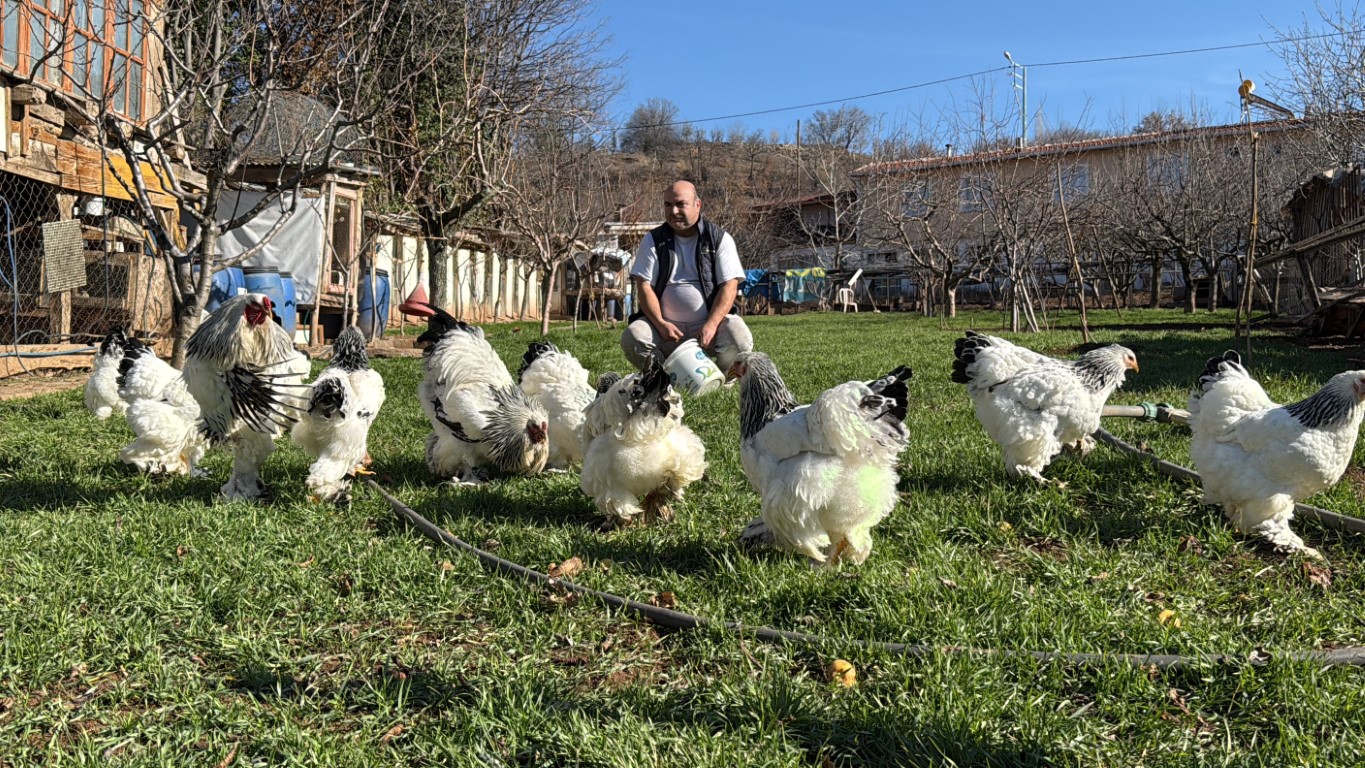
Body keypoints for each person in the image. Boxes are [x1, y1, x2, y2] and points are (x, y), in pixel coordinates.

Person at [622, 180, 753, 374]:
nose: (673, 211)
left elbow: (729, 285)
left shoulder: (719, 239)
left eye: (680, 204)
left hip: (709, 327)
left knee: (740, 338)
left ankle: (720, 379)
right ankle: (663, 381)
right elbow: (644, 286)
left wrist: (712, 323)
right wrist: (660, 324)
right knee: (633, 337)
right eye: (668, 205)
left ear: (697, 205)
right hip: (666, 330)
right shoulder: (652, 240)